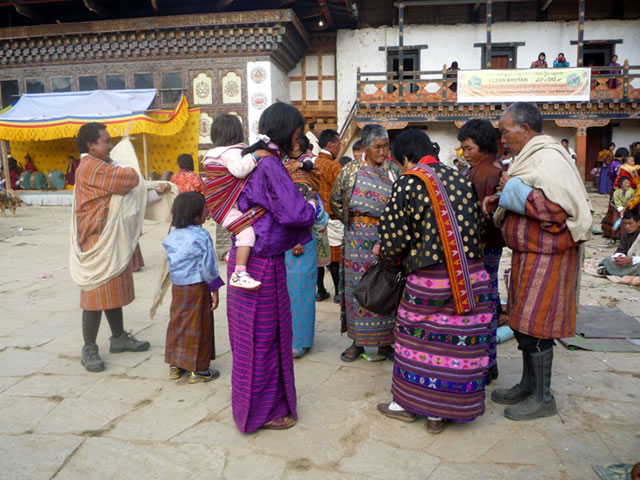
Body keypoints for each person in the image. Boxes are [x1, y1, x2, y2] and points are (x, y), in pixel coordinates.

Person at [376, 129, 491, 434]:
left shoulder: (409, 181)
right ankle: (439, 414)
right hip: (471, 277)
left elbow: (393, 236)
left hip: (430, 280)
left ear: (404, 158)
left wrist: (388, 258)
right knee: (453, 346)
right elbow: (477, 225)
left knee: (416, 342)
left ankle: (404, 405)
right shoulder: (460, 179)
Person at [483, 102, 592, 421]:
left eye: (505, 131)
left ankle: (544, 397)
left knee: (538, 326)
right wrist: (504, 196)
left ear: (525, 129)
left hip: (550, 258)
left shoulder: (549, 159)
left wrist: (511, 189)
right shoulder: (531, 159)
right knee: (523, 323)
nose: (502, 139)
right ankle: (529, 385)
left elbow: (555, 210)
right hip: (529, 256)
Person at [226, 102, 317, 433]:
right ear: (289, 131)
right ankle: (261, 413)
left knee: (254, 339)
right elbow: (294, 213)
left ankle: (259, 407)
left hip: (246, 260)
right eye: (299, 131)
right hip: (260, 268)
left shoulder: (257, 160)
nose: (301, 136)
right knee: (262, 340)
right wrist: (312, 209)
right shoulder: (271, 166)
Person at [71, 122, 151, 372]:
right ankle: (89, 347)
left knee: (112, 287)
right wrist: (127, 168)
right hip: (97, 238)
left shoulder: (100, 164)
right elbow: (128, 179)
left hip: (108, 234)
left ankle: (118, 337)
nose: (110, 145)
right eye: (105, 141)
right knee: (95, 291)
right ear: (90, 145)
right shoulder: (91, 167)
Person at [331, 124, 401, 362]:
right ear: (365, 147)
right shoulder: (350, 171)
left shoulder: (394, 171)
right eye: (378, 147)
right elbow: (336, 203)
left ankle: (384, 343)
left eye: (386, 147)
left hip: (386, 239)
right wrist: (356, 224)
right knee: (356, 290)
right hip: (356, 240)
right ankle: (358, 342)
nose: (383, 152)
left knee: (385, 287)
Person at [458, 118, 506, 383]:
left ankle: (486, 363)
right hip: (484, 247)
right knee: (486, 302)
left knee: (482, 305)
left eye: (469, 148)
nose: (465, 154)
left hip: (481, 248)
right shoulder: (479, 170)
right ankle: (487, 361)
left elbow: (479, 217)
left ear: (484, 145)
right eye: (463, 149)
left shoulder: (486, 173)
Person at [162, 191, 224, 383]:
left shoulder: (173, 235)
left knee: (178, 322)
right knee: (199, 325)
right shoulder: (201, 235)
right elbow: (207, 266)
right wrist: (214, 288)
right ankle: (198, 370)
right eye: (205, 209)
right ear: (197, 215)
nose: (208, 212)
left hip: (179, 286)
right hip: (197, 286)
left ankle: (176, 364)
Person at [202, 113, 263, 290]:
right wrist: (256, 156)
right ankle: (240, 272)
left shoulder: (213, 153)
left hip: (217, 205)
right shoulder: (231, 153)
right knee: (247, 233)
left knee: (239, 232)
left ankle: (233, 254)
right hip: (224, 206)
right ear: (237, 133)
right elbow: (240, 171)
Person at [284, 135, 328, 358]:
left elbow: (302, 208)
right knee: (293, 292)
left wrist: (298, 238)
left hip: (298, 239)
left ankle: (300, 341)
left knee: (299, 292)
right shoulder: (290, 166)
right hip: (288, 240)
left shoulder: (301, 171)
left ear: (298, 146)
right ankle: (294, 338)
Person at [314, 129, 344, 303]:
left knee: (318, 255)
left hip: (315, 217)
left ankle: (320, 290)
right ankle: (338, 292)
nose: (339, 147)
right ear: (331, 144)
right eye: (338, 144)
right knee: (334, 257)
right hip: (331, 218)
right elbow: (344, 192)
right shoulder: (334, 166)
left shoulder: (312, 162)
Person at [598, 208, 640, 276]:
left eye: (630, 223)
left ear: (638, 223)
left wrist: (632, 259)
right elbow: (621, 250)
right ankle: (618, 271)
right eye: (625, 224)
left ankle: (611, 271)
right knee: (608, 260)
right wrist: (620, 258)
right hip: (628, 262)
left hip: (636, 262)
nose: (627, 227)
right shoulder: (626, 235)